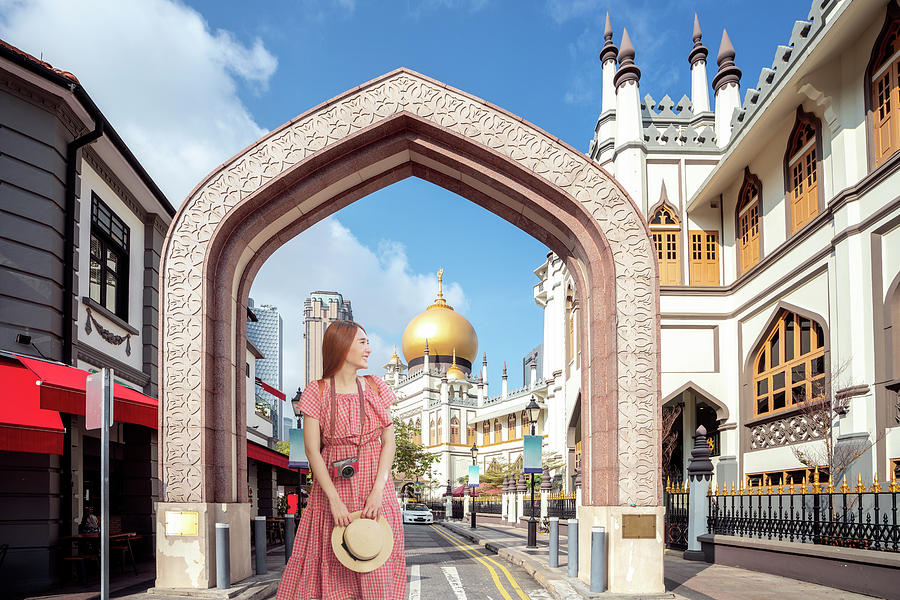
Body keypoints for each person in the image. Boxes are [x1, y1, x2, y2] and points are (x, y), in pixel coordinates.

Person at [277, 320, 406, 600]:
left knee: (375, 561)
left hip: (374, 485)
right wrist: (334, 500)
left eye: (367, 342)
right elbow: (313, 451)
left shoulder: (375, 386)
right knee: (332, 566)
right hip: (332, 490)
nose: (369, 349)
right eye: (362, 342)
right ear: (342, 345)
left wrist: (379, 492)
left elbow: (389, 443)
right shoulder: (317, 391)